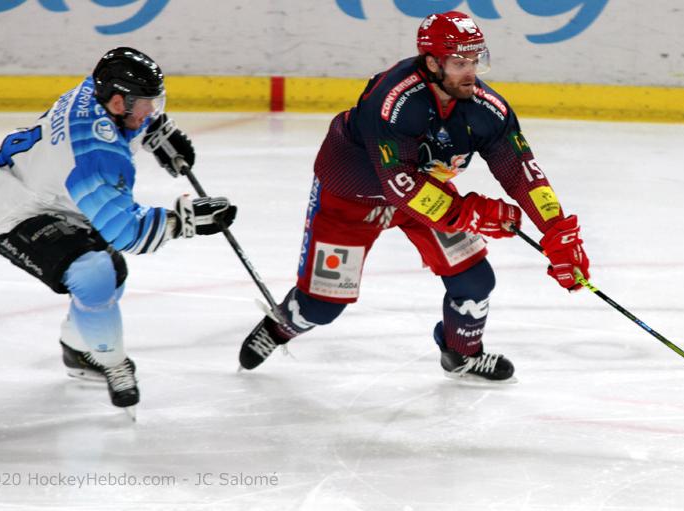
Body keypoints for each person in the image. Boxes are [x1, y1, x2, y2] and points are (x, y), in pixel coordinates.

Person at [238, 11, 590, 382]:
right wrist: (471, 213)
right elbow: (399, 183)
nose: (470, 73)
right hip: (353, 199)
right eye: (458, 63)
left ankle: (462, 354)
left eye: (475, 61)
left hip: (426, 194)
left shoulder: (485, 108)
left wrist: (558, 230)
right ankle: (279, 327)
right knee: (322, 307)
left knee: (474, 280)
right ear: (432, 62)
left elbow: (522, 171)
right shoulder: (395, 100)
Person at [0, 47, 237, 415]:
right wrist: (186, 221)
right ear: (118, 101)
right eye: (147, 105)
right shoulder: (96, 156)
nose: (152, 111)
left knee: (111, 272)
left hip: (45, 189)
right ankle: (111, 360)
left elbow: (122, 122)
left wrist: (154, 132)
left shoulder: (97, 92)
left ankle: (78, 348)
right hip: (18, 210)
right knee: (95, 273)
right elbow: (126, 232)